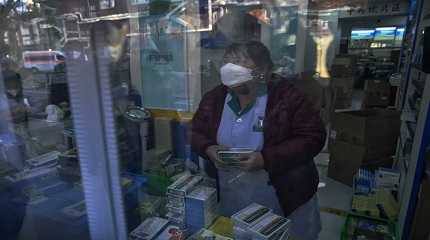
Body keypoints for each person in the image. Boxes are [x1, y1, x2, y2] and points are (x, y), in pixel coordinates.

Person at [191, 41, 326, 239]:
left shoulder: (288, 97)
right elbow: (195, 131)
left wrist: (266, 159)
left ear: (263, 71)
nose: (231, 70)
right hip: (231, 194)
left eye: (240, 64)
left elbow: (313, 137)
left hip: (283, 195)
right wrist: (208, 148)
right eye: (227, 63)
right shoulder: (215, 98)